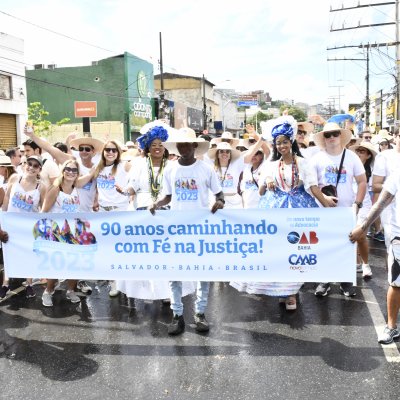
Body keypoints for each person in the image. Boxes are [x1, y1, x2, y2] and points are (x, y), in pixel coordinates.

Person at [231, 116, 326, 311]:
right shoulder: (271, 165)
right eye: (278, 143)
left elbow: (314, 188)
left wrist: (328, 204)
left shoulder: (303, 163)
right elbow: (260, 191)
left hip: (298, 211)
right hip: (275, 210)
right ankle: (282, 292)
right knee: (278, 253)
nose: (282, 146)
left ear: (291, 142)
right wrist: (266, 183)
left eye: (284, 142)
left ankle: (291, 293)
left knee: (295, 252)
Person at [149, 128, 224, 335]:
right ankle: (177, 315)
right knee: (174, 273)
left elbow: (220, 194)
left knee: (203, 273)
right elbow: (167, 197)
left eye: (187, 144)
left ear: (195, 146)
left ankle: (200, 314)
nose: (183, 148)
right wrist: (156, 203)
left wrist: (219, 202)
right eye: (179, 144)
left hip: (201, 229)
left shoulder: (206, 169)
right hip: (176, 229)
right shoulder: (170, 169)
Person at [116, 125, 196, 303]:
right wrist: (125, 192)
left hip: (167, 213)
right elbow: (133, 186)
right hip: (143, 212)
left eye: (160, 144)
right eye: (153, 144)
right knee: (146, 253)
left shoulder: (174, 166)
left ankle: (168, 291)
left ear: (165, 147)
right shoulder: (139, 164)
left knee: (166, 253)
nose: (157, 147)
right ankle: (147, 291)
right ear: (148, 148)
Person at [310, 122, 367, 297]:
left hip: (346, 210)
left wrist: (357, 203)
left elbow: (362, 181)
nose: (332, 137)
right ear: (323, 138)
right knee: (324, 246)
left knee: (347, 246)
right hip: (323, 211)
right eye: (328, 135)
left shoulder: (351, 157)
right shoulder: (317, 159)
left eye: (335, 134)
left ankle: (346, 282)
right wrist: (324, 198)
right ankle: (324, 280)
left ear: (341, 136)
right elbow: (311, 185)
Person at [350, 169, 400, 344]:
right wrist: (363, 228)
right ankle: (392, 327)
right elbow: (380, 204)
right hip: (399, 238)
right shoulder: (397, 174)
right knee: (396, 283)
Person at [40, 159, 87, 307]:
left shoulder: (77, 190)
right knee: (55, 265)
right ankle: (48, 292)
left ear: (77, 174)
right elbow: (44, 212)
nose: (71, 172)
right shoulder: (55, 189)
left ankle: (71, 291)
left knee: (74, 265)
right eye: (68, 169)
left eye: (74, 170)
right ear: (63, 170)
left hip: (74, 232)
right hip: (57, 232)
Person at [0, 155, 47, 299]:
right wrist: (4, 217)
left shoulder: (41, 187)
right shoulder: (15, 178)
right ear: (25, 164)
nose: (31, 167)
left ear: (39, 169)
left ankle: (29, 283)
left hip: (28, 227)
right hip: (11, 223)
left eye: (35, 166)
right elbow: (7, 197)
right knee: (9, 253)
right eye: (29, 164)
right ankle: (5, 283)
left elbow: (43, 208)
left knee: (29, 254)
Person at [348, 141, 377, 278]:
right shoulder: (348, 165)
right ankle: (356, 262)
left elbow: (376, 190)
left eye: (362, 151)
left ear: (368, 156)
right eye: (357, 150)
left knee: (360, 236)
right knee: (349, 235)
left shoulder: (373, 172)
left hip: (364, 206)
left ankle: (365, 264)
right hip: (348, 205)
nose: (359, 153)